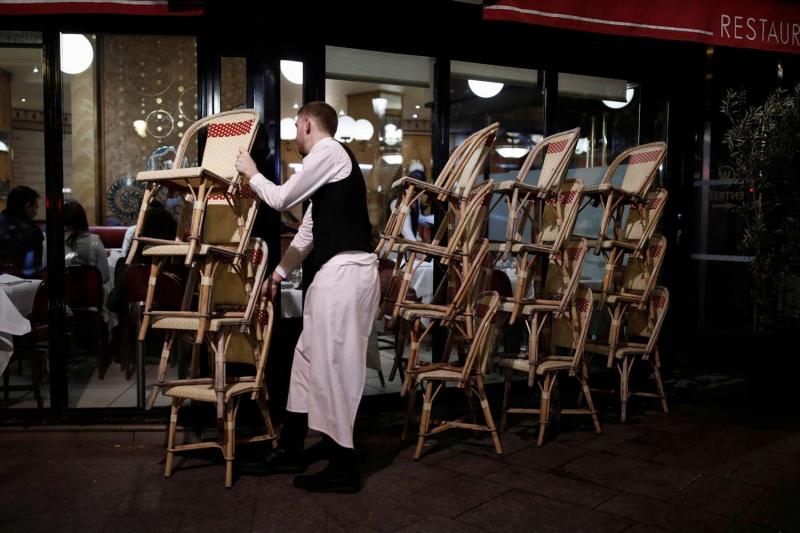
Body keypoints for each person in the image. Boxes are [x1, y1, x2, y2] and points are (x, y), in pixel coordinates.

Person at [235, 101, 379, 494]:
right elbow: (308, 233)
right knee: (305, 362)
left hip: (347, 274)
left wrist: (252, 175)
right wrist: (279, 274)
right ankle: (292, 447)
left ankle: (344, 467)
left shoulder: (329, 151)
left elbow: (281, 199)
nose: (294, 137)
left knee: (334, 368)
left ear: (308, 124)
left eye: (296, 128)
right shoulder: (326, 171)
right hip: (337, 274)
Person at [63, 199, 110, 284]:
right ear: (83, 219)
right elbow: (104, 276)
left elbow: (45, 273)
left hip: (58, 295)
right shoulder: (94, 240)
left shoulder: (48, 243)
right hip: (89, 295)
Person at [0, 185, 44, 275]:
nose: (35, 213)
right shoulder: (32, 233)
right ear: (27, 206)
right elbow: (32, 271)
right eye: (35, 208)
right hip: (21, 285)